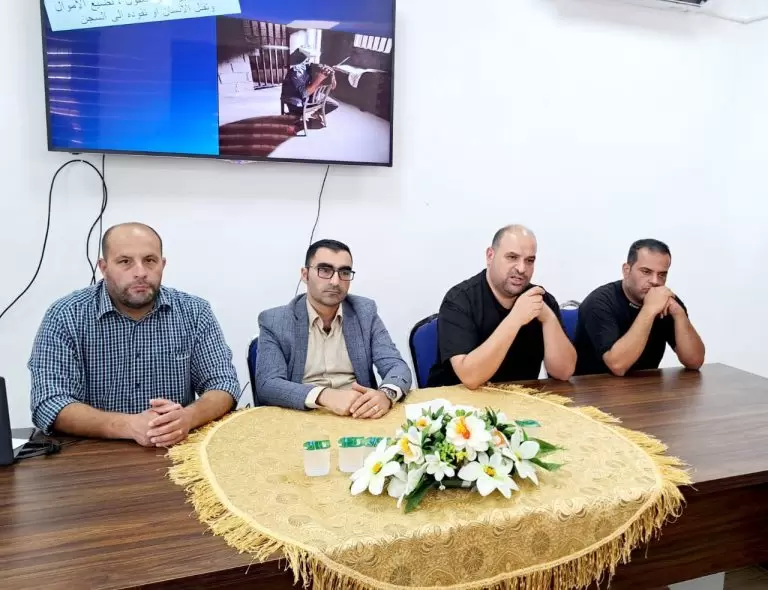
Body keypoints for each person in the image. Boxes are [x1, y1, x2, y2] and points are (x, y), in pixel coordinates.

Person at [28, 223, 241, 447]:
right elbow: (49, 402)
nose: (140, 272)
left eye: (150, 260)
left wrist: (188, 418)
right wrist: (128, 425)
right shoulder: (66, 315)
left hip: (175, 450)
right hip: (92, 453)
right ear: (104, 267)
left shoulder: (194, 312)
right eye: (125, 261)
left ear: (162, 265)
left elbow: (223, 384)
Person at [255, 239, 411, 419]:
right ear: (305, 275)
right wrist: (324, 395)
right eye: (325, 270)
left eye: (344, 272)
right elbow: (268, 384)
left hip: (358, 415)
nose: (335, 281)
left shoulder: (364, 312)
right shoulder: (275, 321)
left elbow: (396, 366)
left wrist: (386, 395)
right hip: (302, 416)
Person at [428, 225, 576, 389]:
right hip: (457, 400)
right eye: (512, 257)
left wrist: (548, 319)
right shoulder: (459, 300)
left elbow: (564, 372)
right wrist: (516, 318)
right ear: (490, 256)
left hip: (519, 399)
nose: (521, 269)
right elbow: (470, 378)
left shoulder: (541, 300)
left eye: (529, 260)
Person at [574, 239, 705, 376]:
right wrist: (649, 310)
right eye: (646, 272)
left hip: (646, 385)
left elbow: (695, 361)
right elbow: (617, 366)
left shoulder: (666, 300)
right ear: (626, 270)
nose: (655, 281)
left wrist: (679, 314)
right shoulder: (599, 302)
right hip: (593, 386)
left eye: (662, 274)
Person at [281, 46, 338, 129]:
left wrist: (332, 75)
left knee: (334, 104)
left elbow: (332, 86)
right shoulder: (296, 72)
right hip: (295, 98)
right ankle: (294, 114)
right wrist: (319, 79)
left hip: (312, 96)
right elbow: (304, 94)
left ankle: (315, 113)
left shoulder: (315, 67)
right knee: (295, 116)